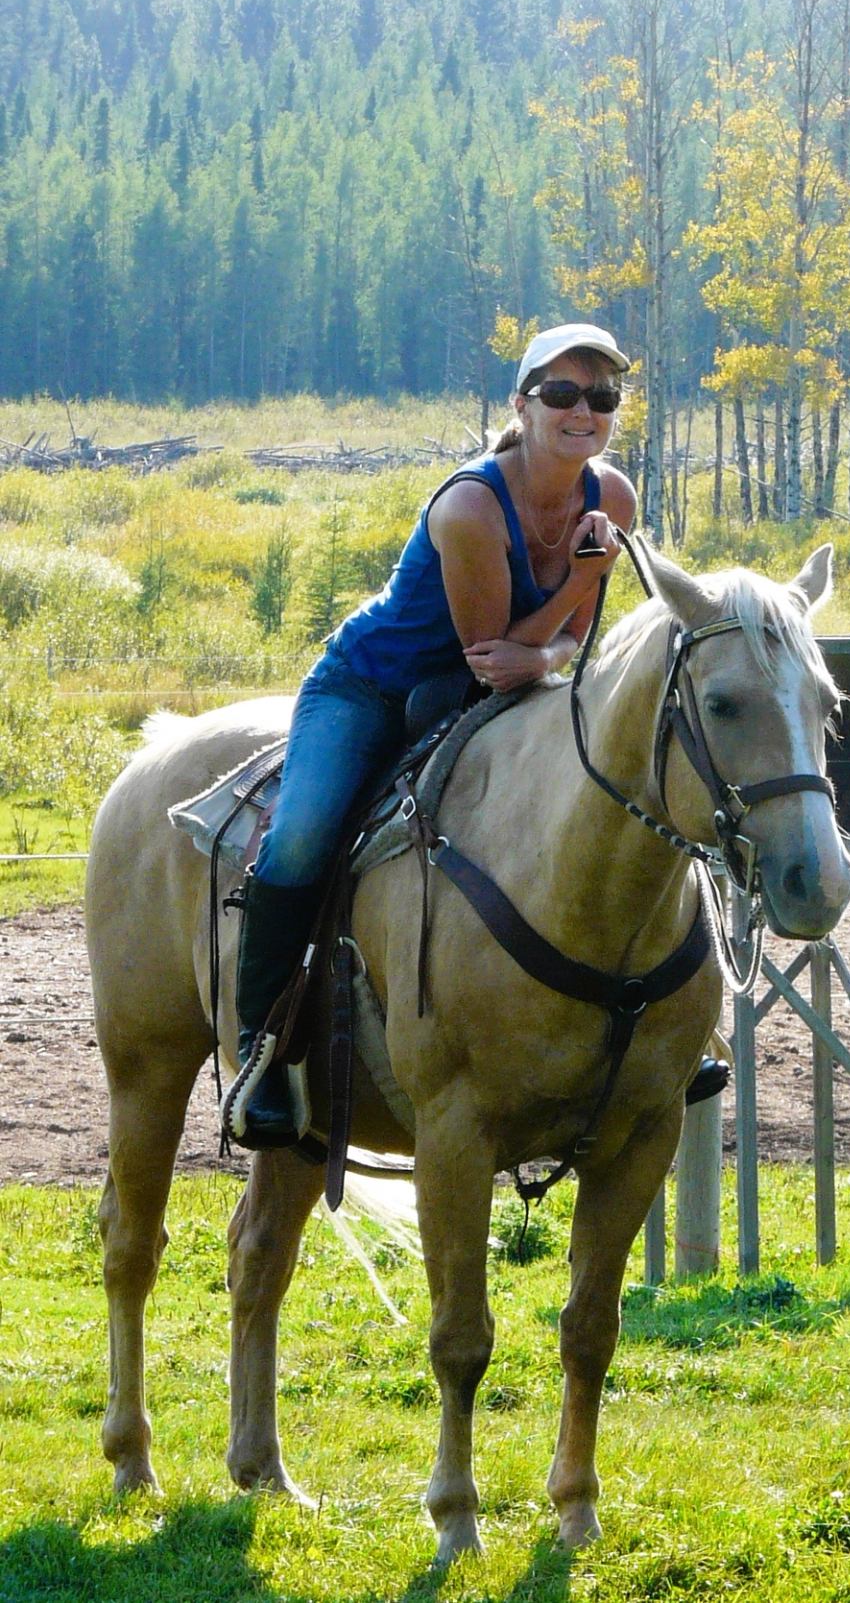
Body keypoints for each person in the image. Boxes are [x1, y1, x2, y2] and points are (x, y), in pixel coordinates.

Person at [228, 323, 723, 1147]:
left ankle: (670, 1029)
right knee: (303, 837)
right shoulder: (468, 506)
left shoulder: (615, 498)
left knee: (600, 797)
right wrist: (584, 584)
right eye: (562, 393)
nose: (583, 410)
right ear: (521, 405)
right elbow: (494, 650)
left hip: (496, 675)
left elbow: (566, 641)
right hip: (376, 687)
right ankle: (263, 1050)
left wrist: (558, 642)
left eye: (601, 397)